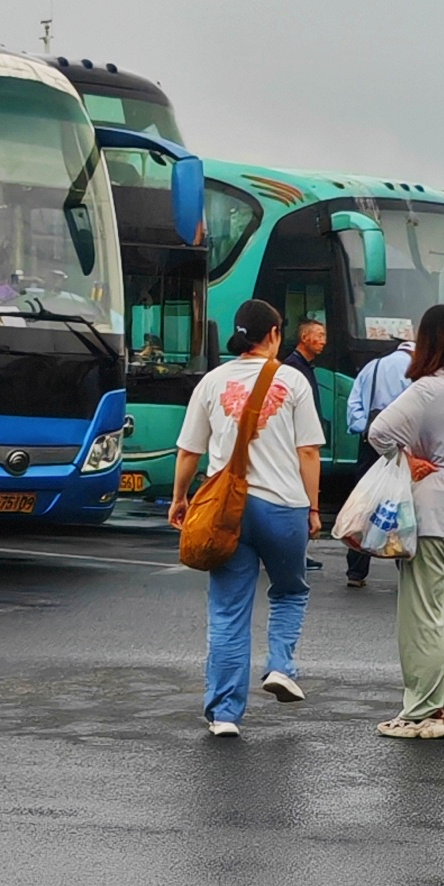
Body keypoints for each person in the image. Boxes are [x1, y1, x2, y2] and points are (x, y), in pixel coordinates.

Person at [167, 298, 324, 733]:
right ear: (273, 334)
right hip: (284, 504)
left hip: (226, 510)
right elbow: (308, 450)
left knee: (229, 610)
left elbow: (188, 451)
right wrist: (313, 506)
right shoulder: (292, 380)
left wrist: (180, 499)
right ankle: (281, 666)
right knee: (290, 590)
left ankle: (224, 714)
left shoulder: (212, 382)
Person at [366, 304, 444, 737]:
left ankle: (422, 712)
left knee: (422, 614)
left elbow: (378, 431)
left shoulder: (427, 390)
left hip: (429, 513)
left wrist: (408, 458)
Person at [343, 329, 415, 587]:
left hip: (370, 441)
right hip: (403, 443)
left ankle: (356, 570)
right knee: (403, 502)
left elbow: (353, 407)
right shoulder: (418, 369)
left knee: (366, 501)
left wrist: (366, 427)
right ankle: (403, 560)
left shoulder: (372, 367)